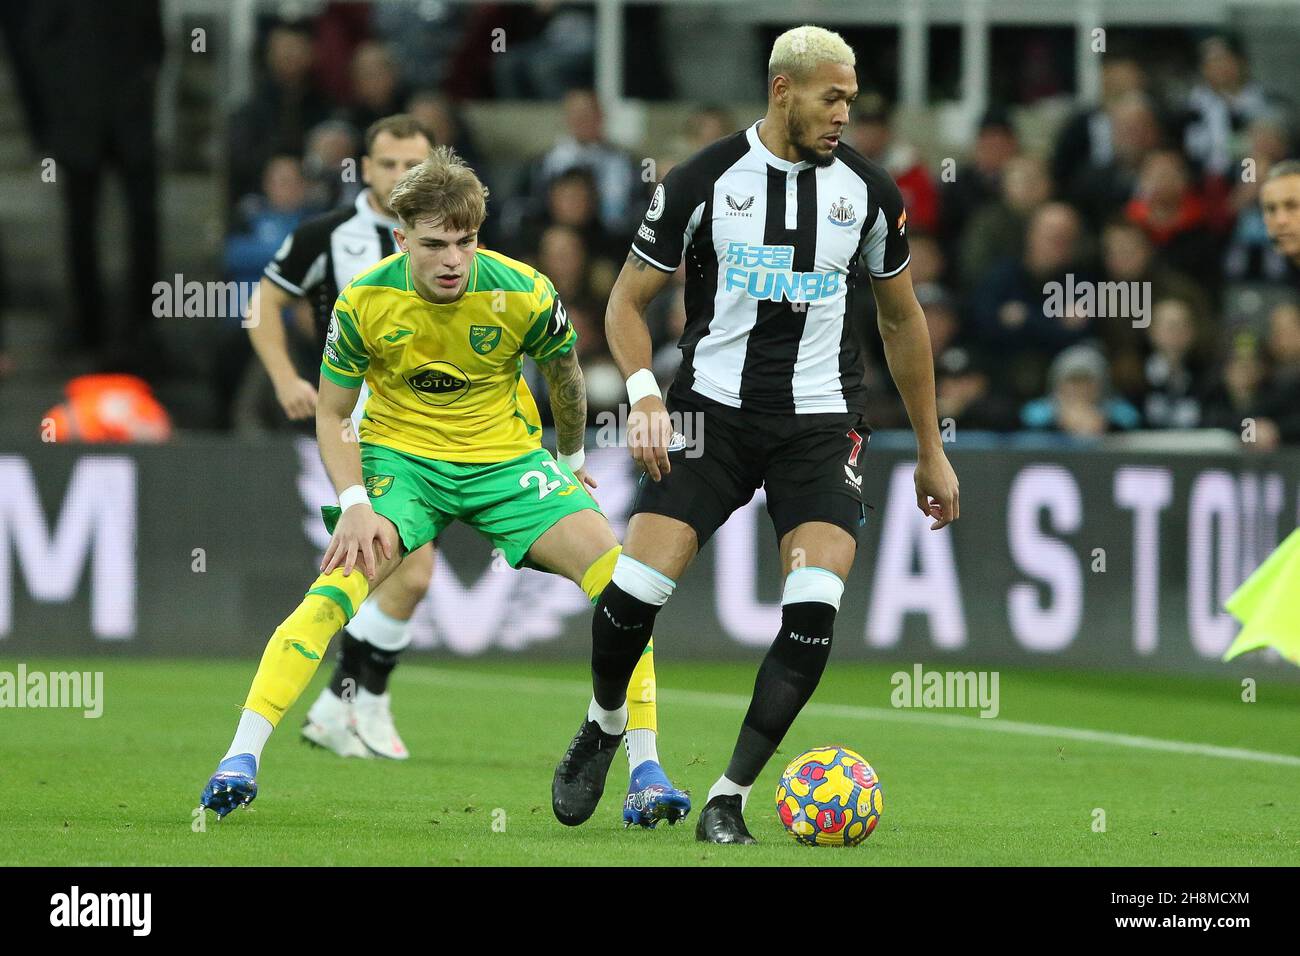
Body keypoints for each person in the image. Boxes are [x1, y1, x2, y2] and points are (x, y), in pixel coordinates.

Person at [550, 25, 959, 844]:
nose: (845, 112)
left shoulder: (870, 193)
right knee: (636, 592)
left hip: (820, 426)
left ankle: (729, 796)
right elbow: (625, 303)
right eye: (832, 97)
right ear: (784, 90)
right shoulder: (704, 179)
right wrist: (641, 396)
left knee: (812, 614)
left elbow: (902, 319)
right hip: (710, 416)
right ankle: (602, 723)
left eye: (850, 98)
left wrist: (930, 447)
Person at [200, 147, 690, 829]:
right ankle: (240, 758)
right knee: (334, 588)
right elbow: (335, 412)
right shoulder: (366, 299)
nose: (453, 259)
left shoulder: (522, 290)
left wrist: (572, 457)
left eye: (465, 241)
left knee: (623, 582)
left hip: (505, 463)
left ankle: (643, 767)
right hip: (405, 466)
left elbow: (567, 378)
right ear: (403, 239)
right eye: (434, 244)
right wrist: (353, 504)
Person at [248, 115, 435, 760]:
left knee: (404, 577)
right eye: (388, 164)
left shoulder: (446, 240)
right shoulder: (328, 235)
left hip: (428, 425)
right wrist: (283, 378)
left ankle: (343, 704)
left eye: (414, 163)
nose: (401, 176)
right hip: (357, 423)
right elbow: (264, 304)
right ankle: (354, 703)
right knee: (408, 569)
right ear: (366, 167)